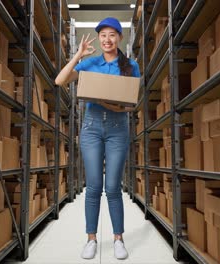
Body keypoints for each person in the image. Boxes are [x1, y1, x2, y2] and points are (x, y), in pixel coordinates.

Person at [55, 17, 140, 260]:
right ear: (99, 38)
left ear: (119, 39)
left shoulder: (130, 66)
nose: (107, 39)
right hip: (91, 128)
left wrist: (109, 104)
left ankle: (118, 239)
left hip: (117, 129)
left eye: (112, 34)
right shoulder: (89, 63)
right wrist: (78, 54)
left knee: (113, 187)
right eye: (103, 35)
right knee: (93, 187)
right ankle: (91, 239)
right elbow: (60, 80)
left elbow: (132, 104)